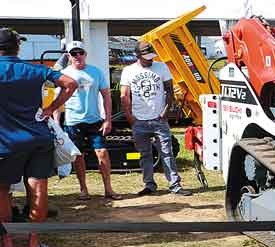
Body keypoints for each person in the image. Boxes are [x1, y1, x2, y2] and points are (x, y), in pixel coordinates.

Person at [0, 28, 77, 247]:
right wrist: (51, 108)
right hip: (38, 139)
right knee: (38, 187)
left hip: (6, 142)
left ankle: (7, 242)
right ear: (18, 46)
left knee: (2, 190)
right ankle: (34, 243)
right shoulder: (35, 69)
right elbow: (70, 83)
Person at [120, 40, 192, 196]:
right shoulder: (128, 71)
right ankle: (149, 184)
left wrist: (165, 111)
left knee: (167, 152)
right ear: (137, 55)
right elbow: (124, 95)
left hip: (159, 119)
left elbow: (169, 91)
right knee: (145, 154)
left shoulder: (161, 67)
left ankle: (175, 185)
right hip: (139, 120)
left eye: (152, 56)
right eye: (147, 57)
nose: (150, 59)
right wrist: (130, 117)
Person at [59, 40, 119, 200]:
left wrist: (108, 120)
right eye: (74, 53)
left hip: (94, 120)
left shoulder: (96, 72)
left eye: (80, 52)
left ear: (85, 54)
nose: (78, 56)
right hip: (73, 122)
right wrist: (57, 124)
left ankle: (108, 189)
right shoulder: (64, 73)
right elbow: (58, 100)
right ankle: (83, 189)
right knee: (78, 156)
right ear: (69, 56)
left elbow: (106, 96)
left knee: (102, 153)